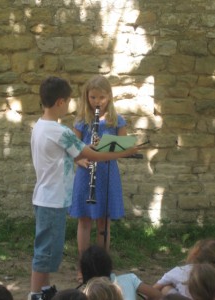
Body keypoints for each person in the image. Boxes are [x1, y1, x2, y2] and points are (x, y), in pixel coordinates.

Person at [29, 76, 139, 300]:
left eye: (102, 97)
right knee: (47, 250)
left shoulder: (41, 126)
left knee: (49, 248)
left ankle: (45, 290)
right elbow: (86, 153)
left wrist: (90, 151)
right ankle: (35, 293)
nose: (97, 101)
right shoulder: (61, 131)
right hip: (54, 196)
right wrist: (124, 152)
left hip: (51, 195)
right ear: (61, 102)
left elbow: (76, 150)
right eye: (69, 101)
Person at [69, 75, 132, 282]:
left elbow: (124, 146)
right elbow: (72, 149)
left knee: (104, 222)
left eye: (101, 98)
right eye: (93, 97)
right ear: (86, 97)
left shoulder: (116, 120)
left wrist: (107, 147)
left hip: (106, 173)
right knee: (85, 220)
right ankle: (83, 268)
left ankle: (103, 268)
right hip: (86, 172)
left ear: (109, 97)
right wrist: (80, 160)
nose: (97, 102)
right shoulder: (81, 120)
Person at [80, 245, 162, 300]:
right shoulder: (129, 279)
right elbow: (158, 295)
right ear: (109, 264)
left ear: (84, 272)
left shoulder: (88, 293)